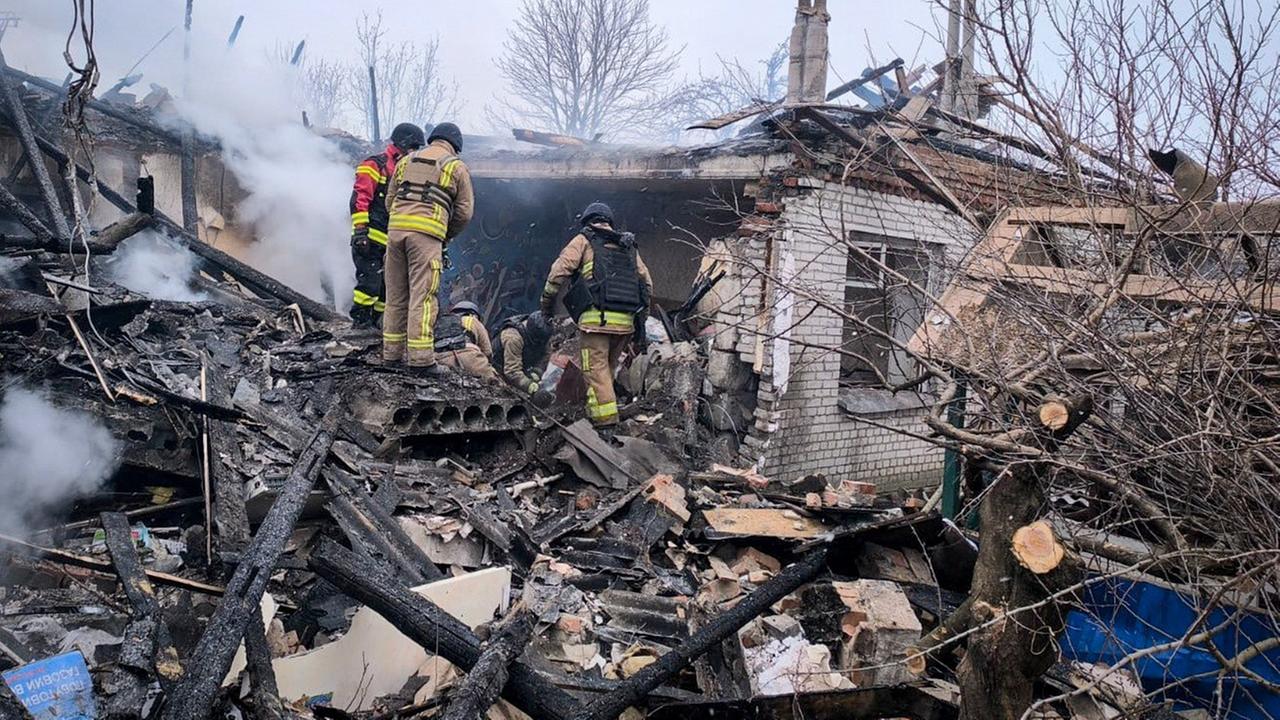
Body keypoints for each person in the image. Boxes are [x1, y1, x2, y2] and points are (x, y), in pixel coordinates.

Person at [540, 203, 652, 427]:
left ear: (587, 221)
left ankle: (606, 427)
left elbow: (557, 273)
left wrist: (547, 304)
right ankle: (596, 414)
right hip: (626, 324)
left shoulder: (584, 239)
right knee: (606, 372)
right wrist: (642, 320)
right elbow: (647, 284)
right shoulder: (627, 245)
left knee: (595, 371)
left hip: (596, 322)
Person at [382, 122, 474, 373]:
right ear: (456, 145)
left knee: (396, 296)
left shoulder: (406, 160)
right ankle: (421, 361)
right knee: (423, 297)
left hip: (395, 233)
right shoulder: (455, 166)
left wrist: (401, 223)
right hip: (426, 237)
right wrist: (444, 234)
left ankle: (391, 355)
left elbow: (391, 200)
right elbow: (464, 213)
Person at [348, 123, 424, 328]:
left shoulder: (405, 168)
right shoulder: (375, 164)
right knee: (369, 285)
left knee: (386, 289)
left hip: (391, 242)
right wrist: (361, 231)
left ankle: (375, 326)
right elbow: (359, 198)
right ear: (403, 143)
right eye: (413, 147)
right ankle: (360, 324)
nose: (415, 152)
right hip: (370, 239)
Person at [434, 301, 498, 382]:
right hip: (469, 357)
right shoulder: (472, 320)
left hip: (440, 359)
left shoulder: (440, 321)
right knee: (497, 384)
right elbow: (487, 351)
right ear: (474, 314)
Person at [493, 311, 553, 395]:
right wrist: (529, 386)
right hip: (500, 368)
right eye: (538, 341)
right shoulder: (513, 338)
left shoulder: (543, 334)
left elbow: (546, 354)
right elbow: (512, 371)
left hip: (521, 364)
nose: (541, 343)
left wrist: (537, 372)